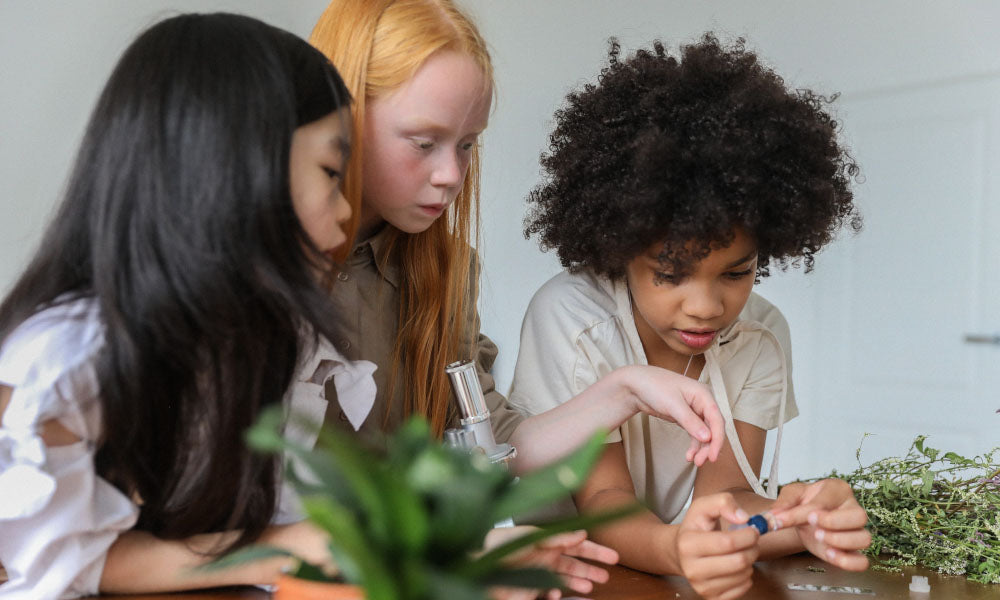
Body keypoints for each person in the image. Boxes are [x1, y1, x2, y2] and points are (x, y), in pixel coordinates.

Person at [511, 35, 872, 599]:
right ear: (619, 248)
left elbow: (723, 499)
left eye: (736, 272)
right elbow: (604, 502)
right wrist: (676, 548)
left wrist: (798, 520)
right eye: (670, 273)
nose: (707, 307)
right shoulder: (573, 319)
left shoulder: (761, 335)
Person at [308, 0, 726, 482]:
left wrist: (627, 390)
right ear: (343, 118)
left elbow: (490, 444)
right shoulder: (255, 263)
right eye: (424, 143)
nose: (451, 175)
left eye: (467, 144)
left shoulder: (446, 270)